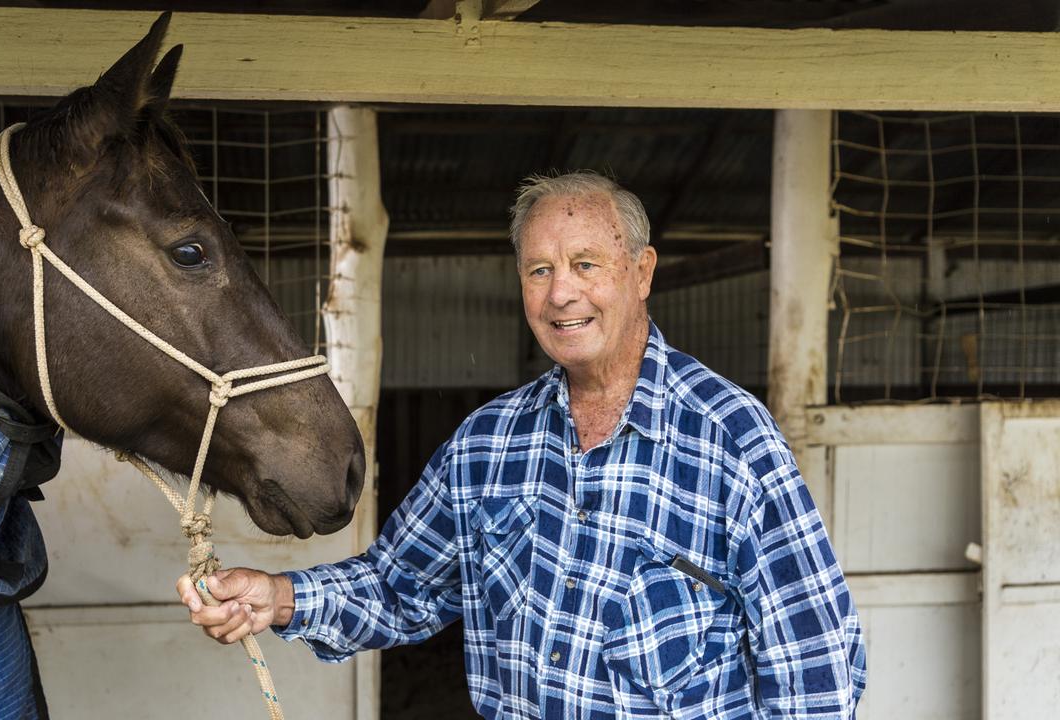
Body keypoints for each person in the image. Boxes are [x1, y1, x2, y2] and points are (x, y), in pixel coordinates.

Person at [176, 171, 867, 718]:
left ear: (642, 271)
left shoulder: (731, 438)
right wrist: (277, 596)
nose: (561, 293)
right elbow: (398, 586)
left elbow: (817, 667)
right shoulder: (488, 443)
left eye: (585, 263)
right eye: (538, 270)